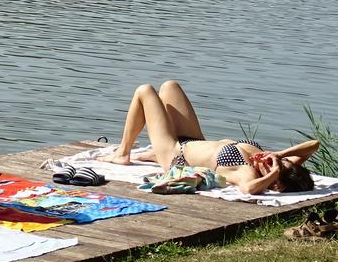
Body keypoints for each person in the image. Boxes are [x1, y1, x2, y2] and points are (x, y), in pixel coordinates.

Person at [109, 80, 319, 195]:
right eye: (279, 162)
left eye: (270, 166)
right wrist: (279, 156)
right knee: (170, 86)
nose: (267, 159)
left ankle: (123, 153)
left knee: (144, 91)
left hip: (175, 152)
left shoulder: (246, 172)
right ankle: (150, 155)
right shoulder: (274, 162)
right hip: (193, 140)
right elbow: (314, 145)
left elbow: (249, 189)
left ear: (275, 183)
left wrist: (272, 173)